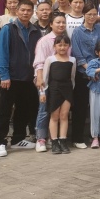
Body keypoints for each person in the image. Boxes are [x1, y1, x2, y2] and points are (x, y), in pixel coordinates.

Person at [0, 0, 42, 157]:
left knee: (23, 109)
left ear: (32, 12)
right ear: (17, 11)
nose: (25, 13)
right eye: (23, 10)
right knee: (5, 110)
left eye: (29, 10)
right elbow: (2, 53)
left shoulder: (36, 30)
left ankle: (18, 138)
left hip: (28, 78)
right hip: (10, 78)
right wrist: (4, 75)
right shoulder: (8, 29)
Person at [70, 3, 100, 149]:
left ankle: (99, 136)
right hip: (84, 74)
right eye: (88, 14)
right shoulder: (77, 32)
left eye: (94, 14)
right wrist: (92, 71)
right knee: (80, 106)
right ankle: (77, 138)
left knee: (99, 107)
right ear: (83, 15)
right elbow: (78, 55)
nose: (92, 17)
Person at [33, 11, 70, 153]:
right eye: (58, 22)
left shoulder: (66, 40)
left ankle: (56, 138)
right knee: (44, 110)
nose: (61, 25)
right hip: (45, 80)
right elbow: (39, 63)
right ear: (51, 24)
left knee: (59, 112)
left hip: (61, 82)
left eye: (63, 22)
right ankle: (41, 139)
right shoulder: (44, 41)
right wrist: (40, 80)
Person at [42, 35, 76, 154]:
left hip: (67, 89)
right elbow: (45, 78)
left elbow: (72, 77)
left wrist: (71, 90)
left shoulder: (72, 60)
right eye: (59, 45)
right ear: (54, 46)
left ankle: (63, 140)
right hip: (54, 89)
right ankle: (54, 141)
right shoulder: (50, 59)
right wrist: (42, 92)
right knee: (54, 116)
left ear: (69, 46)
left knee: (64, 115)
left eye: (65, 45)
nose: (62, 47)